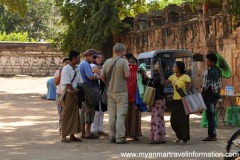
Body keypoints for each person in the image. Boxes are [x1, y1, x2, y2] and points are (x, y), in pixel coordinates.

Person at [102, 43, 130, 144]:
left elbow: (102, 76)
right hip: (121, 91)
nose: (125, 53)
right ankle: (120, 137)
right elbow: (127, 75)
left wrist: (109, 84)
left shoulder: (107, 62)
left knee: (112, 115)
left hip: (110, 92)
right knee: (121, 115)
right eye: (124, 51)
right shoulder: (124, 62)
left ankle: (112, 136)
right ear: (121, 51)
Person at [164, 61, 191, 143]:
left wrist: (181, 90)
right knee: (173, 121)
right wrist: (160, 73)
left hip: (183, 101)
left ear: (179, 68)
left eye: (174, 66)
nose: (173, 67)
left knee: (183, 120)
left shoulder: (186, 77)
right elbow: (164, 84)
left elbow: (188, 89)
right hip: (175, 101)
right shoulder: (172, 77)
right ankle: (179, 135)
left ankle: (184, 137)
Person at [60, 50, 82, 143]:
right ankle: (64, 135)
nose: (79, 59)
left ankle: (72, 135)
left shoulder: (76, 69)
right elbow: (67, 83)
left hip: (75, 92)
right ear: (73, 58)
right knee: (67, 114)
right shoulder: (66, 69)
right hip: (69, 93)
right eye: (78, 57)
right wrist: (74, 92)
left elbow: (80, 81)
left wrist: (77, 91)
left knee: (75, 115)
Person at [141, 62, 166, 144]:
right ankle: (161, 138)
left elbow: (151, 84)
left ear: (159, 68)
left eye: (157, 64)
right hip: (159, 100)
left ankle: (156, 138)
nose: (155, 65)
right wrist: (144, 76)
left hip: (157, 100)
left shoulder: (159, 77)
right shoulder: (158, 76)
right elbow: (146, 82)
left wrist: (145, 76)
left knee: (156, 119)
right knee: (159, 119)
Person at [79, 49, 100, 139]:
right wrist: (98, 77)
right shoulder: (85, 64)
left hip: (83, 90)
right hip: (88, 90)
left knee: (83, 111)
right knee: (89, 111)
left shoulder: (81, 64)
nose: (94, 59)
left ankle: (83, 132)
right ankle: (88, 132)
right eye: (93, 57)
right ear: (88, 56)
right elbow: (90, 77)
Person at [202, 53, 221, 141]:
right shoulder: (215, 70)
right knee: (211, 115)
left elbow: (209, 85)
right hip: (214, 95)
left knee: (210, 116)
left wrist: (203, 92)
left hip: (211, 95)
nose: (207, 62)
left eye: (208, 61)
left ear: (213, 62)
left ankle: (212, 135)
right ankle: (212, 134)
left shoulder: (213, 71)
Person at [90, 52, 108, 136]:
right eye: (98, 57)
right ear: (95, 58)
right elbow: (100, 75)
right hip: (95, 90)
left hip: (102, 90)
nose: (100, 59)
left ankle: (100, 128)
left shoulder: (104, 67)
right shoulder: (92, 66)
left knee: (102, 110)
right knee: (96, 110)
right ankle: (93, 129)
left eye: (101, 57)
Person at [125, 57, 142, 141]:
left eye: (133, 62)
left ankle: (135, 134)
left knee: (136, 116)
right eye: (130, 62)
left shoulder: (139, 72)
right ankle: (125, 133)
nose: (131, 64)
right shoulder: (125, 72)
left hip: (136, 97)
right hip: (126, 97)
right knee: (126, 115)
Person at [54, 57, 70, 134]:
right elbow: (56, 83)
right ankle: (62, 128)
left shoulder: (71, 71)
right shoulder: (58, 72)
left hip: (68, 94)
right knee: (61, 113)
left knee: (68, 112)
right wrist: (61, 73)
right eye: (65, 62)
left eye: (68, 62)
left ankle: (68, 128)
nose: (67, 64)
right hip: (60, 94)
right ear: (62, 64)